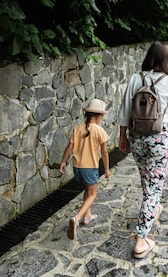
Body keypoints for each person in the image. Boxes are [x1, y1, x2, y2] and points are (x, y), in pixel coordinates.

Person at [117, 41, 168, 259]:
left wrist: (122, 136)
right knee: (154, 187)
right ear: (167, 59)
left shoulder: (136, 78)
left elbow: (125, 110)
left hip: (137, 135)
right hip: (160, 137)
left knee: (146, 178)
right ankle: (141, 239)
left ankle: (152, 209)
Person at [59, 98, 111, 240]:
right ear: (99, 116)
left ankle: (87, 216)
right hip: (90, 168)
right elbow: (104, 153)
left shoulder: (77, 128)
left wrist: (63, 162)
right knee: (93, 194)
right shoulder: (99, 130)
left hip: (77, 167)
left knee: (87, 191)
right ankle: (76, 218)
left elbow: (69, 147)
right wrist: (106, 169)